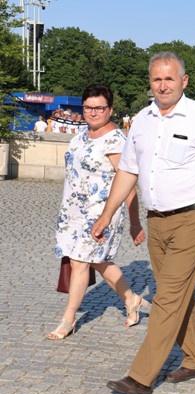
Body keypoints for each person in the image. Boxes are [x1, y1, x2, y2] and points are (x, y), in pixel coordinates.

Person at [92, 52, 195, 394]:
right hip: (157, 220)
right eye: (157, 79)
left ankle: (141, 377)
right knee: (178, 292)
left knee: (168, 296)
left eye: (169, 79)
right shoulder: (142, 120)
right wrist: (106, 214)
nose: (163, 85)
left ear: (183, 81)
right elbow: (128, 171)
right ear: (150, 82)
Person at [47, 84, 147, 341]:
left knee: (81, 262)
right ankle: (132, 299)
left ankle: (68, 321)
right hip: (73, 212)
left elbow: (128, 184)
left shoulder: (116, 141)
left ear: (110, 109)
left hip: (102, 214)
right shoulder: (79, 137)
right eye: (88, 107)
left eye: (99, 107)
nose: (93, 112)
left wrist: (135, 223)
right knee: (99, 263)